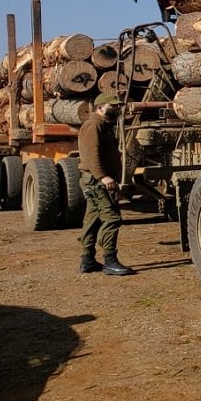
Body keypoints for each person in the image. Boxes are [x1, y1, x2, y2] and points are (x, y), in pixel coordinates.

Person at [77, 94, 134, 276]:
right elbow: (91, 155)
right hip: (97, 181)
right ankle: (110, 260)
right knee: (112, 218)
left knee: (92, 220)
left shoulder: (103, 125)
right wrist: (103, 177)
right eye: (112, 106)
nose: (116, 109)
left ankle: (87, 260)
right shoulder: (94, 125)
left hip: (96, 180)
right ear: (100, 107)